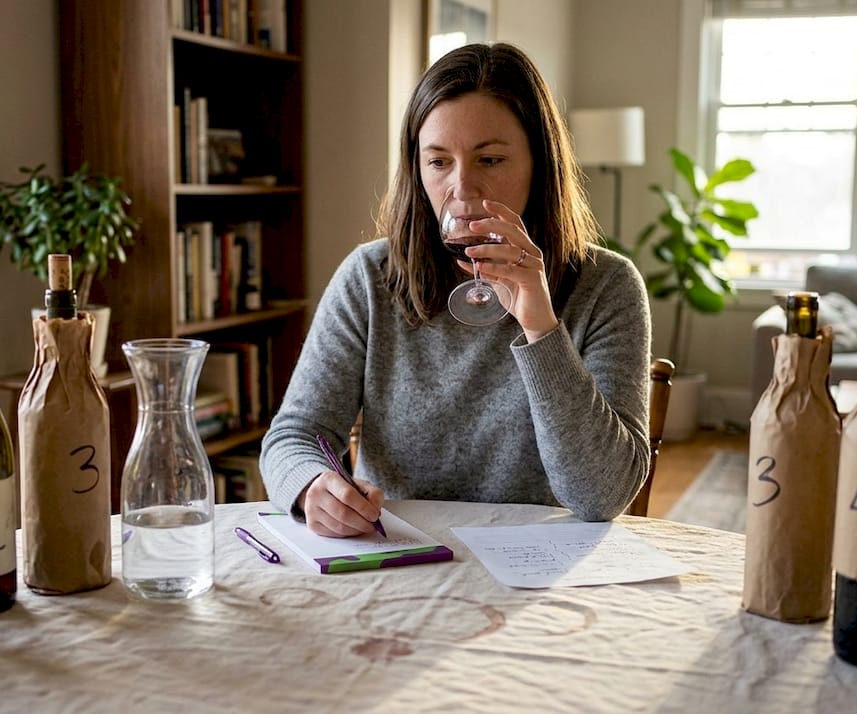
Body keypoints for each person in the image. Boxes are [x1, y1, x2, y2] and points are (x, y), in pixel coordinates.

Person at [260, 43, 651, 537]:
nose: (463, 189)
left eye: (489, 159)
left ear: (540, 163)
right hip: (398, 557)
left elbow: (603, 497)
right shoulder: (370, 277)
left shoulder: (607, 286)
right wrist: (311, 486)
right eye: (439, 162)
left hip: (539, 569)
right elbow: (293, 436)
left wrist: (541, 328)